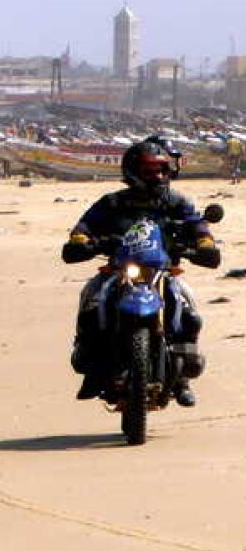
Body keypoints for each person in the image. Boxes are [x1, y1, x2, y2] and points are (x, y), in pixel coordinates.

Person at [62, 136, 220, 406]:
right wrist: (82, 241)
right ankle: (93, 370)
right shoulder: (112, 203)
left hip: (162, 270)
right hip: (118, 270)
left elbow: (197, 224)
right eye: (149, 172)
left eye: (161, 170)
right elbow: (84, 227)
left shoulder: (176, 201)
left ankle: (182, 377)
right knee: (91, 302)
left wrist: (204, 243)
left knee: (189, 311)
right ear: (132, 172)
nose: (157, 177)